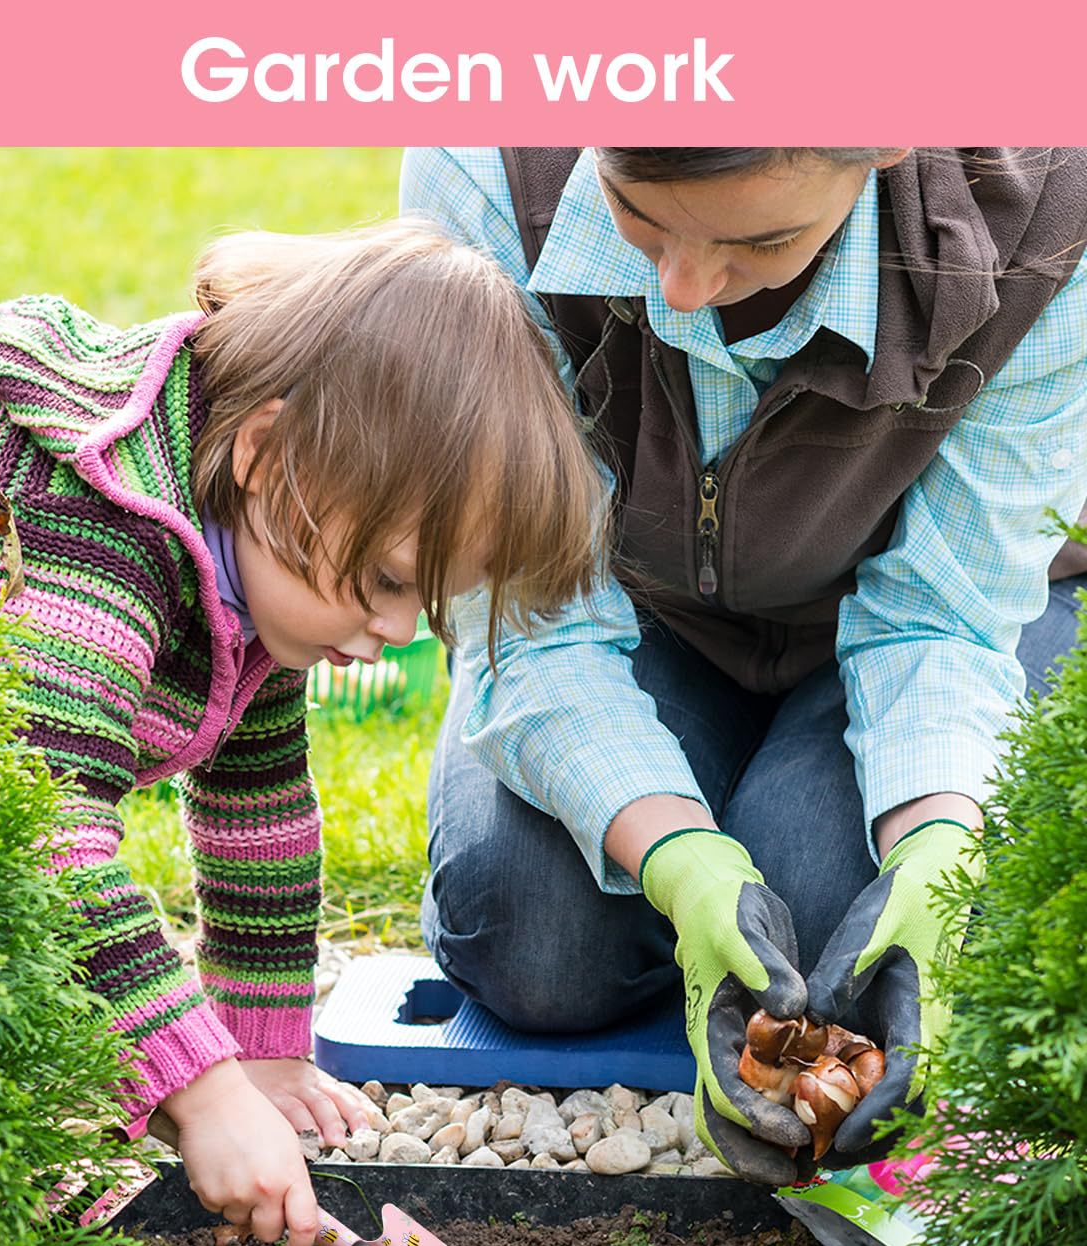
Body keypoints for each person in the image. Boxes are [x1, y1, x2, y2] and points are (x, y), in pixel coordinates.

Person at [402, 147, 1087, 1184]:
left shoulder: (1045, 222)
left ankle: (774, 809)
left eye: (759, 238)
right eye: (637, 212)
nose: (678, 288)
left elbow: (944, 617)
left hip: (919, 621)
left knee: (827, 941)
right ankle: (701, 827)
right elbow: (536, 613)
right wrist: (680, 858)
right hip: (635, 610)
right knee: (531, 934)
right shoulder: (489, 162)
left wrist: (940, 844)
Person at [0, 221, 605, 1246]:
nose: (390, 632)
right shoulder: (94, 525)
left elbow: (258, 809)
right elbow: (43, 826)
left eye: (422, 605)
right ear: (266, 452)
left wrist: (263, 1050)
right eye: (384, 582)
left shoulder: (259, 559)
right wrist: (201, 1091)